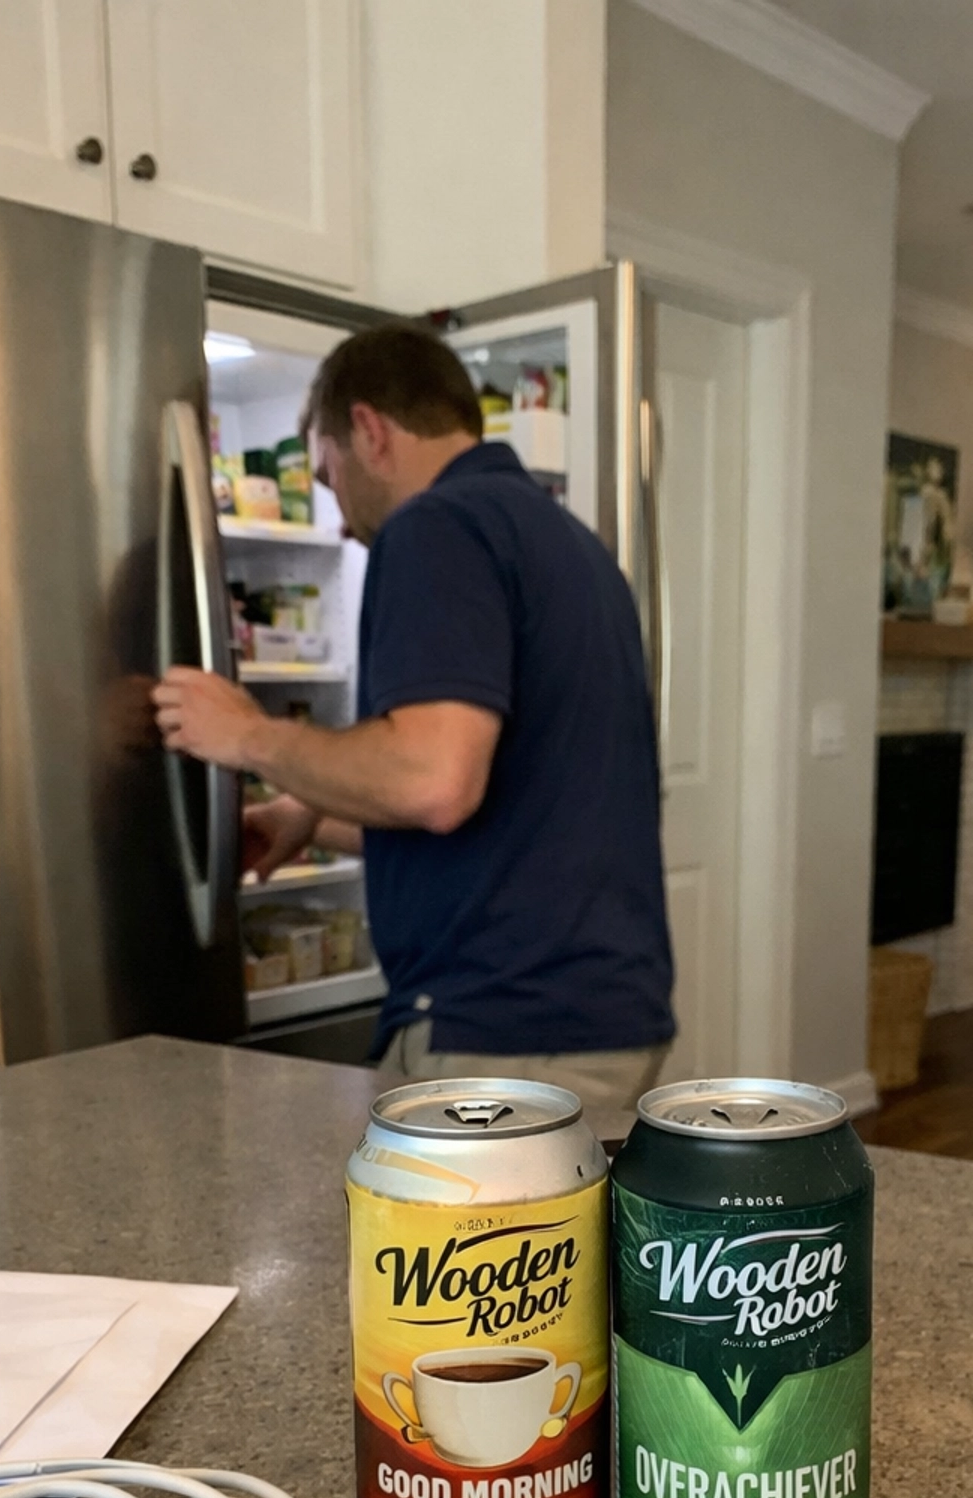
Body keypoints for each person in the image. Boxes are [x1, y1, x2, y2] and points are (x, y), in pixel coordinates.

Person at [153, 322, 674, 1118]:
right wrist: (309, 816)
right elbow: (502, 801)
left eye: (329, 478)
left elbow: (435, 783)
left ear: (369, 430)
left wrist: (247, 734)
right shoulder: (563, 540)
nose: (337, 519)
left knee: (458, 1245)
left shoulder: (438, 527)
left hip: (504, 1025)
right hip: (591, 1013)